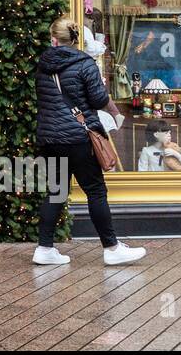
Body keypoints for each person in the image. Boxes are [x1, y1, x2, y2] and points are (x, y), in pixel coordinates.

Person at [34, 16, 146, 267]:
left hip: (50, 137)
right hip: (78, 137)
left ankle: (44, 248)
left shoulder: (42, 65)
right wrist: (115, 111)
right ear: (75, 40)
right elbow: (97, 99)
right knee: (95, 191)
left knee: (56, 191)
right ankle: (112, 248)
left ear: (53, 39)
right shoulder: (84, 63)